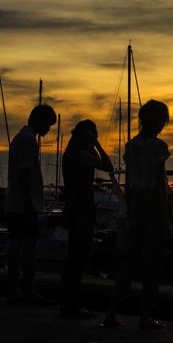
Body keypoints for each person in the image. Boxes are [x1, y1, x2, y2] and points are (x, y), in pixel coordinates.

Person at [102, 99, 170, 330]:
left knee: (129, 261)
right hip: (152, 204)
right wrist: (164, 213)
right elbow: (160, 183)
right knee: (153, 263)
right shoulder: (159, 147)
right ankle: (145, 316)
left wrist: (130, 209)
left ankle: (111, 313)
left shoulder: (131, 146)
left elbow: (129, 183)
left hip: (136, 205)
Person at [59, 120, 113, 318]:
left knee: (75, 257)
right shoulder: (81, 155)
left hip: (75, 208)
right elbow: (108, 166)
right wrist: (97, 145)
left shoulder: (70, 153)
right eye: (93, 133)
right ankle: (72, 305)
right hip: (81, 210)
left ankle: (68, 303)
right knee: (78, 258)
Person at [4, 104, 56, 304]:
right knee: (26, 249)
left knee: (17, 246)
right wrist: (28, 203)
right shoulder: (28, 140)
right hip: (24, 204)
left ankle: (15, 290)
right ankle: (27, 290)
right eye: (48, 125)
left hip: (15, 203)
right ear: (39, 120)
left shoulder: (20, 138)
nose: (49, 130)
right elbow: (24, 172)